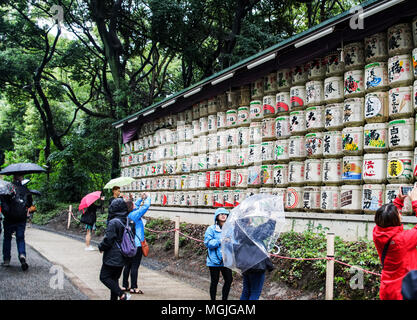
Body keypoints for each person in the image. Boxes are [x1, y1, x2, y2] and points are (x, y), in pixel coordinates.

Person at [373, 186, 417, 300]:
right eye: (399, 213)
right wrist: (415, 202)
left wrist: (399, 200)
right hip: (404, 291)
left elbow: (387, 218)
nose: (400, 214)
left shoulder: (377, 234)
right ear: (396, 219)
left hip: (387, 289)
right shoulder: (404, 240)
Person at [234, 216, 276, 300]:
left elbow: (259, 230)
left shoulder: (238, 230)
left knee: (246, 291)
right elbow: (264, 232)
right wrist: (272, 220)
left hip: (244, 264)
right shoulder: (249, 231)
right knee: (255, 292)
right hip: (256, 265)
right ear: (248, 219)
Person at [98, 198, 132, 300]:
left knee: (104, 277)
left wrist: (101, 246)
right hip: (124, 254)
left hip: (113, 256)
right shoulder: (128, 221)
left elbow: (109, 240)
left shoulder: (113, 222)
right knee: (114, 279)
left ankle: (122, 295)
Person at [1, 175, 32, 271]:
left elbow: (2, 201)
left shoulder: (8, 188)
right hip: (21, 218)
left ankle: (6, 259)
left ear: (13, 177)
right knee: (20, 238)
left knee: (7, 238)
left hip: (9, 218)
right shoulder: (25, 189)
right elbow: (29, 203)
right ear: (21, 178)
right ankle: (22, 254)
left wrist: (6, 212)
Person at [121, 193, 151, 294]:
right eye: (133, 204)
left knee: (127, 265)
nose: (135, 204)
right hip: (137, 245)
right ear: (131, 206)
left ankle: (125, 285)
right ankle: (134, 287)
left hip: (128, 244)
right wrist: (148, 197)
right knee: (134, 266)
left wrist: (140, 198)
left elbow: (136, 206)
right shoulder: (135, 215)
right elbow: (145, 207)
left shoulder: (128, 214)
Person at [204, 207, 233, 300]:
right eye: (221, 214)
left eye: (225, 214)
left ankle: (224, 298)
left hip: (226, 259)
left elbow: (234, 241)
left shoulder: (230, 229)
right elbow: (207, 243)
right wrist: (220, 241)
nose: (223, 216)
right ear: (217, 216)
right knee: (214, 281)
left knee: (229, 280)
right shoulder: (211, 229)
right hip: (214, 260)